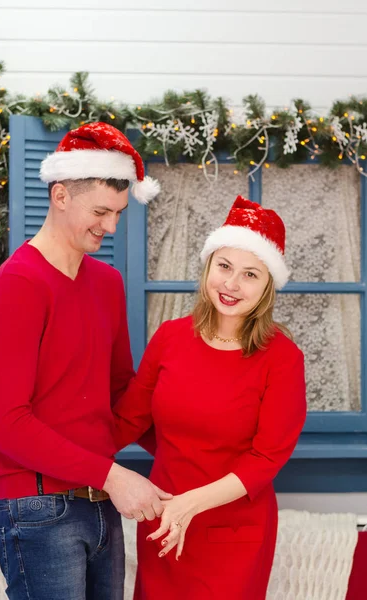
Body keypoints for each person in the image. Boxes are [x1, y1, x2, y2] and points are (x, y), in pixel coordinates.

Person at [0, 122, 171, 600]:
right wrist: (114, 475)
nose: (110, 227)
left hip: (101, 501)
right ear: (60, 195)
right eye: (101, 211)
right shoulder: (19, 285)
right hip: (37, 509)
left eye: (119, 213)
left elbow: (121, 397)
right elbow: (3, 424)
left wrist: (187, 444)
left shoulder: (106, 284)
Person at [113, 195, 307, 600]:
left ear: (268, 285)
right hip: (164, 522)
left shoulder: (282, 358)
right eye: (224, 266)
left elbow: (266, 457)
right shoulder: (169, 337)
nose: (232, 284)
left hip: (234, 533)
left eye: (250, 274)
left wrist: (189, 504)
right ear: (208, 267)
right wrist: (70, 461)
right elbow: (128, 420)